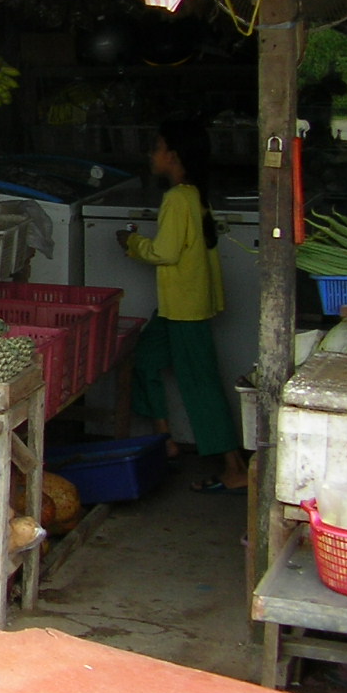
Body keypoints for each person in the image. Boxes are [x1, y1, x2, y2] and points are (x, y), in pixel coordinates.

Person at [118, 118, 247, 494]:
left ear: (172, 156)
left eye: (156, 147)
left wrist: (131, 243)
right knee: (143, 359)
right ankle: (166, 440)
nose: (150, 154)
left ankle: (234, 467)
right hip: (179, 308)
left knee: (201, 387)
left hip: (186, 312)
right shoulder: (195, 195)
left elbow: (165, 252)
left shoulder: (178, 198)